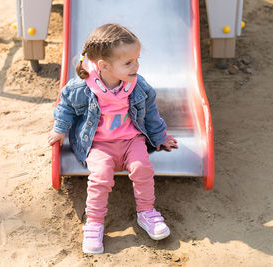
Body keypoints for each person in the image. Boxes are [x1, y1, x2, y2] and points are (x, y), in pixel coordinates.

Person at [48, 23, 178, 254]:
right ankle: (94, 223)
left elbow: (150, 112)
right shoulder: (83, 87)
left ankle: (146, 212)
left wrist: (159, 136)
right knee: (100, 176)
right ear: (104, 66)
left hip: (131, 140)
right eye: (128, 63)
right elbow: (66, 106)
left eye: (137, 60)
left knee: (142, 168)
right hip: (98, 143)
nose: (136, 66)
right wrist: (60, 129)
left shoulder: (138, 85)